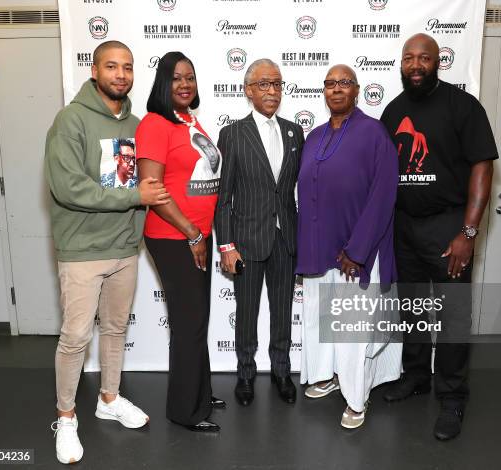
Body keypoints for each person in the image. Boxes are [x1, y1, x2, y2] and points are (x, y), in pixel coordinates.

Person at [44, 40, 169, 464]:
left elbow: (146, 184)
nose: (121, 74)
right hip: (82, 249)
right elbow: (68, 187)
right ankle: (65, 416)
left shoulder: (137, 124)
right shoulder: (71, 121)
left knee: (115, 329)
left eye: (128, 67)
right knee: (76, 337)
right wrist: (134, 196)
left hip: (123, 248)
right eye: (112, 66)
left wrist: (137, 219)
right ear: (95, 71)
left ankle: (109, 398)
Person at [380, 33, 498, 440]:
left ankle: (452, 396)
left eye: (424, 58)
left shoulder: (462, 106)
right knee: (411, 307)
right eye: (409, 58)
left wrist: (468, 232)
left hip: (448, 225)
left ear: (437, 62)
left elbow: (483, 168)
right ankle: (416, 376)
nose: (415, 65)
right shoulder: (393, 112)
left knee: (451, 316)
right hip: (404, 226)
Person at [296, 64, 402, 429]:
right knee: (323, 319)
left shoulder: (374, 134)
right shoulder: (315, 136)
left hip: (357, 253)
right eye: (330, 84)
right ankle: (329, 375)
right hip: (320, 250)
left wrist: (357, 250)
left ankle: (357, 397)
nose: (336, 89)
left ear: (357, 90)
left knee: (354, 326)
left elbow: (383, 196)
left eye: (344, 83)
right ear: (323, 92)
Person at [135, 51, 225, 433]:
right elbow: (152, 190)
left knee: (196, 319)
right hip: (176, 237)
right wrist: (192, 233)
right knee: (188, 323)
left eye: (190, 77)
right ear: (162, 84)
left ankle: (199, 392)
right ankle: (184, 409)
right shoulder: (155, 124)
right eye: (176, 78)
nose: (185, 84)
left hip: (198, 234)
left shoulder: (188, 120)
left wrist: (201, 233)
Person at [215, 58, 304, 406]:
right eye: (264, 84)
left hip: (285, 240)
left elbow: (296, 190)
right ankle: (246, 374)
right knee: (247, 313)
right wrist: (226, 245)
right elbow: (223, 198)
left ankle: (282, 371)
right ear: (248, 90)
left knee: (282, 312)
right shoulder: (233, 134)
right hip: (247, 242)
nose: (272, 91)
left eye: (277, 84)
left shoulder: (295, 131)